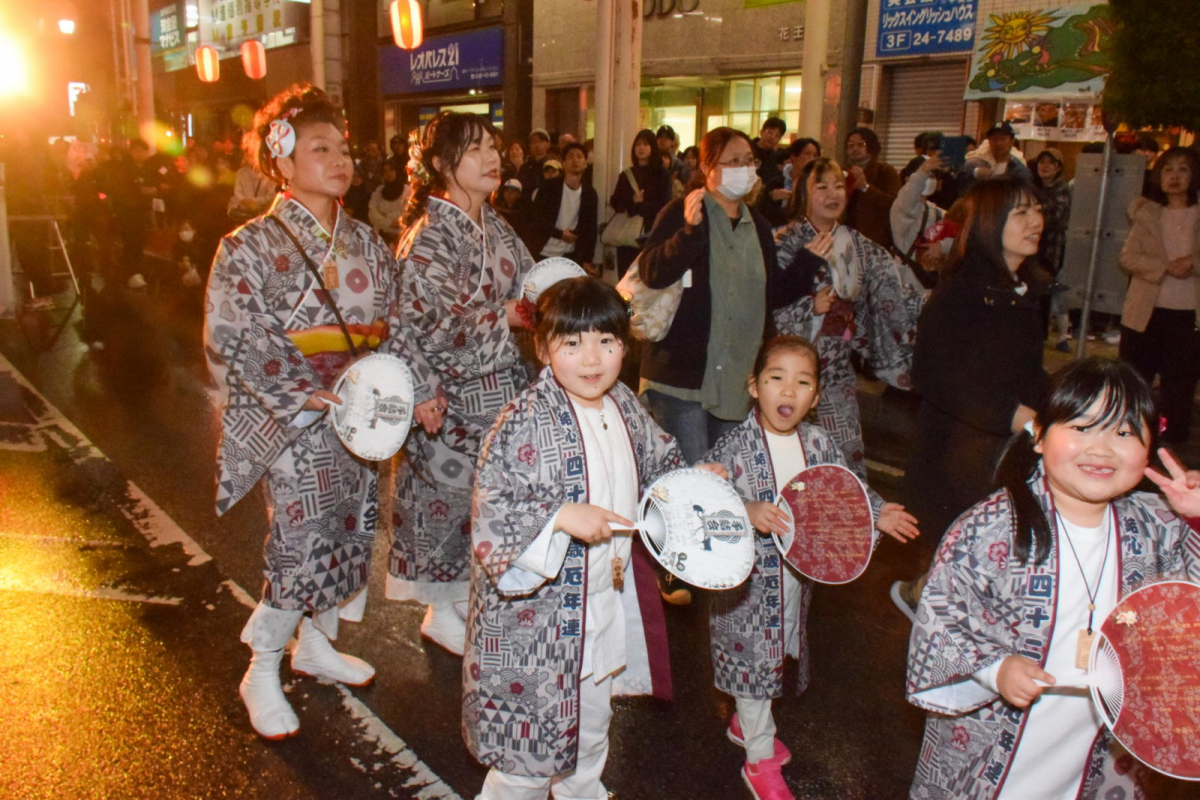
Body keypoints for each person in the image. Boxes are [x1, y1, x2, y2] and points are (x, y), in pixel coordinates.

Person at [463, 276, 723, 800]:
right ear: (542, 348)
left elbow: (660, 464)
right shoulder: (524, 420)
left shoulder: (623, 403)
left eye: (606, 342)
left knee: (593, 715)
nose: (591, 359)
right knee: (530, 752)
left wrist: (695, 480)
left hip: (603, 598)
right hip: (539, 625)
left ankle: (582, 788)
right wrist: (559, 516)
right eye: (571, 343)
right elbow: (493, 513)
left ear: (624, 347)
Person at [204, 83, 406, 741]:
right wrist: (304, 389)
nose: (340, 159)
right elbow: (233, 334)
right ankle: (261, 663)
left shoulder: (367, 244)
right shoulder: (248, 247)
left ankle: (315, 644)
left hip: (358, 417)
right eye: (320, 148)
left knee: (350, 531)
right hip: (297, 419)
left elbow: (394, 324)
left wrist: (402, 386)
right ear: (282, 161)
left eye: (343, 148)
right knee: (300, 540)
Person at [906, 357, 1200, 800]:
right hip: (999, 738)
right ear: (1039, 436)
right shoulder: (992, 528)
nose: (1102, 448)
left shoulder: (1157, 525)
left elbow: (1188, 608)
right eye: (1082, 427)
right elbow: (942, 614)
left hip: (1101, 741)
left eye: (1123, 432)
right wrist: (995, 668)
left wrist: (1196, 521)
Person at [704, 335, 919, 800]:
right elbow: (700, 497)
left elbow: (847, 490)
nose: (788, 391)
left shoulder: (819, 442)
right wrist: (745, 507)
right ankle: (759, 759)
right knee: (753, 662)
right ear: (754, 386)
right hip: (745, 590)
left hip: (795, 582)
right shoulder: (735, 446)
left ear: (816, 396)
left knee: (778, 653)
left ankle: (747, 718)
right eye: (776, 378)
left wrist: (876, 511)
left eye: (802, 382)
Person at [389, 111, 535, 656]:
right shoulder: (428, 237)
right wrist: (511, 317)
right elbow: (412, 325)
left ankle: (473, 597)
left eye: (493, 145)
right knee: (445, 504)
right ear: (442, 165)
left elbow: (529, 280)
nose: (492, 157)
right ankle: (438, 608)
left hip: (501, 390)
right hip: (449, 400)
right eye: (475, 149)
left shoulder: (495, 224)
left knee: (491, 501)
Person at [892, 176, 1048, 618]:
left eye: (1037, 209)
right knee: (960, 576)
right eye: (1020, 212)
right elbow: (932, 373)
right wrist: (1014, 414)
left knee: (983, 576)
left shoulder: (1024, 289)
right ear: (987, 222)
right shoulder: (961, 290)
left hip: (1005, 453)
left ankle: (926, 600)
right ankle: (924, 613)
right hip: (959, 457)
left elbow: (1027, 370)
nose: (1035, 220)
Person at [637, 127, 820, 465]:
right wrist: (690, 233)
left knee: (728, 481)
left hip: (737, 379)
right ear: (708, 167)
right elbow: (652, 272)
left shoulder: (758, 226)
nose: (744, 168)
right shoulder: (683, 211)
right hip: (683, 377)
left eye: (749, 161)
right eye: (733, 161)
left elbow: (770, 295)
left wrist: (807, 263)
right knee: (697, 482)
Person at [773, 158, 926, 478]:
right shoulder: (783, 240)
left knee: (843, 459)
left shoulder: (860, 246)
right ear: (803, 192)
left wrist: (931, 303)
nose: (833, 194)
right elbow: (764, 303)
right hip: (787, 372)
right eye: (822, 186)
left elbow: (891, 294)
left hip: (836, 372)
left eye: (839, 186)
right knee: (789, 461)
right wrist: (808, 308)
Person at [1118, 146, 1200, 446]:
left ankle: (1171, 444)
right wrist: (1165, 267)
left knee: (1179, 384)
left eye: (1183, 169)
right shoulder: (1147, 213)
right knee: (1135, 378)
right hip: (1144, 312)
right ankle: (1132, 436)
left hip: (1189, 314)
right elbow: (1128, 257)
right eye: (1168, 169)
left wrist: (1192, 262)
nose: (1175, 176)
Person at [608, 128, 672, 279]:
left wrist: (640, 205)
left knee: (646, 279)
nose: (641, 148)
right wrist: (632, 202)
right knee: (625, 279)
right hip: (627, 238)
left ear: (652, 147)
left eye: (645, 144)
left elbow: (663, 205)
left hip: (650, 235)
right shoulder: (626, 175)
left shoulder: (661, 175)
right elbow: (615, 202)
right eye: (638, 145)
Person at [527, 141, 598, 271]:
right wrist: (559, 234)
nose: (575, 160)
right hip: (543, 251)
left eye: (579, 156)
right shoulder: (549, 188)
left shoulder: (589, 194)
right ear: (563, 163)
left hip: (570, 256)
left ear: (585, 163)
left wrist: (587, 258)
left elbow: (590, 228)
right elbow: (535, 219)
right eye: (570, 156)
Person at [1032, 147, 1073, 351]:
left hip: (1052, 250)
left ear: (1058, 167)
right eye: (1041, 162)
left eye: (1050, 163)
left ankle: (1058, 336)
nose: (1045, 167)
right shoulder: (1037, 188)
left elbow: (1055, 217)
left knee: (1052, 294)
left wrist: (1034, 214)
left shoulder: (1061, 188)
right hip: (1036, 249)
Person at [842, 127, 901, 249]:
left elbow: (894, 204)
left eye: (861, 144)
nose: (855, 149)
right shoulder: (841, 172)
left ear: (871, 146)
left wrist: (865, 188)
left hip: (875, 242)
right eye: (850, 145)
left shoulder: (885, 171)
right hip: (846, 239)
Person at [957, 121, 1032, 195]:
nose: (998, 143)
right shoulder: (976, 162)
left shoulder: (1019, 169)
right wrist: (976, 173)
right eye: (994, 139)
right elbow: (959, 183)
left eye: (1002, 139)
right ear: (989, 141)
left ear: (1012, 142)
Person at [368, 161, 405, 246]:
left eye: (391, 170)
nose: (389, 174)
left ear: (396, 171)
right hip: (381, 236)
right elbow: (372, 214)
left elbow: (405, 213)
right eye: (385, 171)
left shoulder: (407, 190)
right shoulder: (379, 191)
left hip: (401, 236)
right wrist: (388, 223)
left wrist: (385, 214)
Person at [518, 128, 552, 202]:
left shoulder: (552, 166)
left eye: (541, 141)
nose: (538, 145)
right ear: (530, 145)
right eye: (534, 142)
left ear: (548, 144)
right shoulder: (525, 167)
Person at [751, 117, 787, 188]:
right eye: (770, 132)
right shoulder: (748, 150)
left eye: (777, 135)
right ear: (762, 131)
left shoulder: (776, 157)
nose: (772, 137)